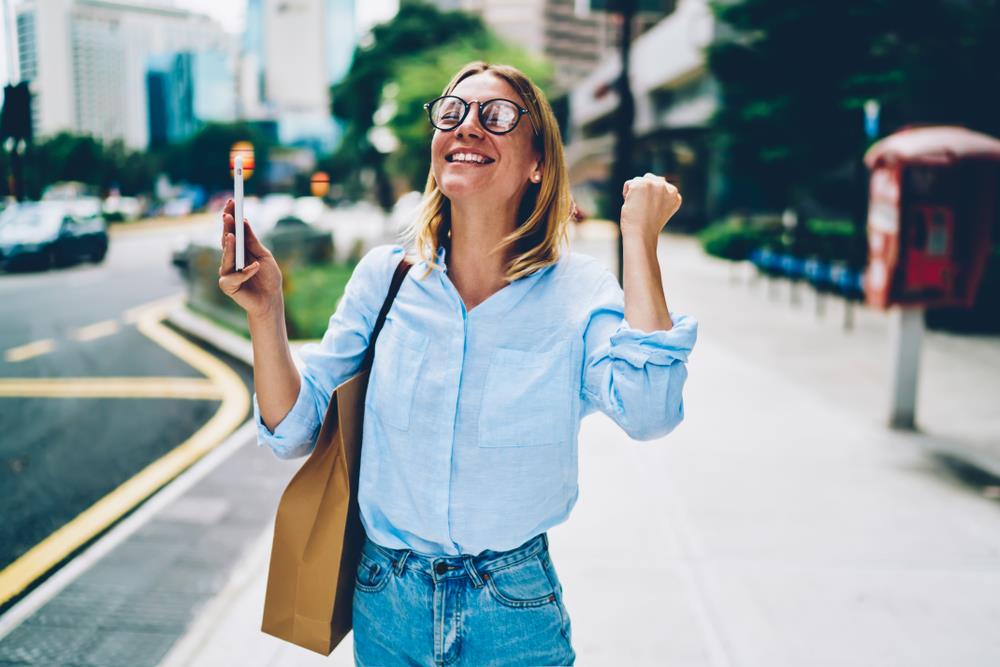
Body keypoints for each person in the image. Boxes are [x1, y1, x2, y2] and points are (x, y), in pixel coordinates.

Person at [218, 61, 698, 667]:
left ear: (538, 163)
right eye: (453, 112)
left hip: (513, 609)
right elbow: (294, 432)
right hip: (386, 601)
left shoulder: (580, 295)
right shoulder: (385, 278)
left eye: (495, 116)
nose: (468, 126)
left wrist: (639, 238)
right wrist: (267, 312)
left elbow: (651, 412)